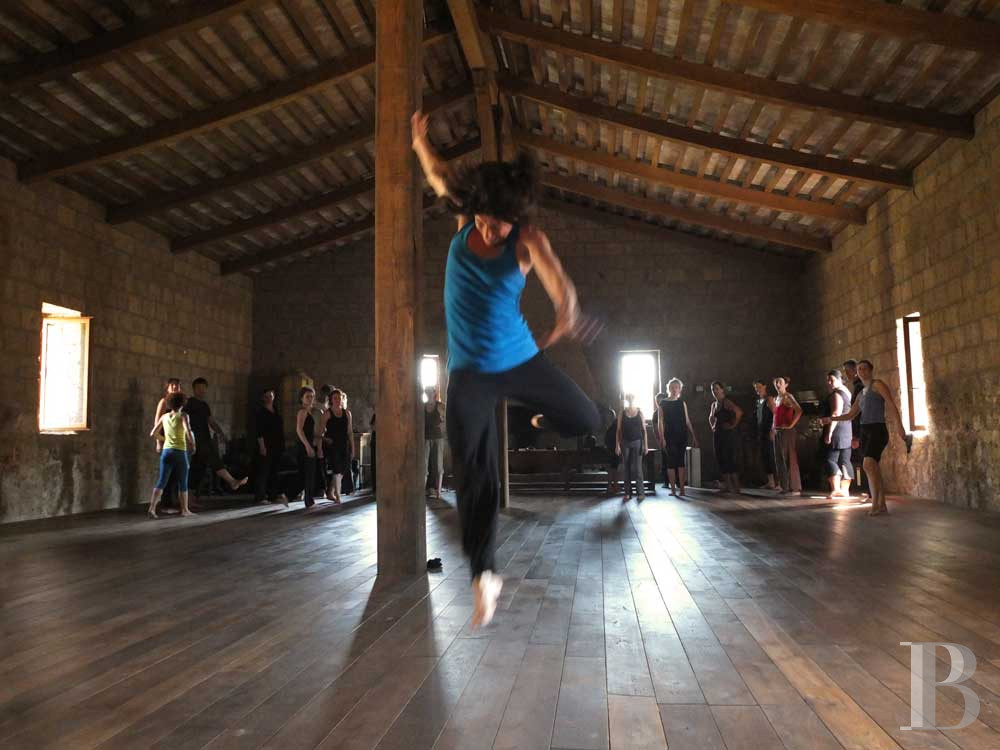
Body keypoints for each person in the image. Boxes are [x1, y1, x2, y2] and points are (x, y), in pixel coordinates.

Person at [412, 109, 600, 628]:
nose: (486, 227)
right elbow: (439, 177)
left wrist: (566, 318)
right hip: (470, 373)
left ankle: (539, 418)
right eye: (481, 216)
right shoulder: (465, 221)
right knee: (474, 471)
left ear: (515, 217)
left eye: (498, 220)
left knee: (588, 420)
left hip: (520, 361)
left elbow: (562, 287)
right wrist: (419, 142)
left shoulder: (527, 242)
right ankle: (484, 574)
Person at [823, 359, 911, 516]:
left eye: (864, 368)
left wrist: (900, 427)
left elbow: (891, 404)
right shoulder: (861, 393)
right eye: (859, 369)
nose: (862, 371)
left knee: (868, 464)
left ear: (871, 370)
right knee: (871, 467)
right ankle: (880, 504)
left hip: (877, 429)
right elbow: (851, 414)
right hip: (865, 431)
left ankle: (877, 504)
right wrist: (831, 419)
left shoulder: (877, 385)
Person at [184, 378, 247, 500]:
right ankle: (232, 481)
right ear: (194, 389)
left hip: (205, 438)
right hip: (195, 440)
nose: (201, 391)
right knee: (213, 459)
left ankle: (190, 498)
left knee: (199, 469)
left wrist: (221, 434)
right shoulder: (190, 403)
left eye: (203, 389)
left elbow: (211, 421)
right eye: (199, 388)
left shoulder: (204, 405)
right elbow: (183, 420)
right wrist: (188, 439)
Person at [148, 393, 196, 518]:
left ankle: (152, 508)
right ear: (183, 403)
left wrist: (165, 439)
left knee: (162, 481)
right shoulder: (184, 416)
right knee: (183, 482)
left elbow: (153, 433)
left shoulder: (164, 416)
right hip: (180, 452)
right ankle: (185, 510)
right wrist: (193, 444)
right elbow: (188, 431)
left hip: (166, 451)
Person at [657, 378, 697, 497]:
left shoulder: (682, 403)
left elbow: (687, 420)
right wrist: (662, 437)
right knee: (671, 462)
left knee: (681, 462)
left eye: (677, 387)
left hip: (682, 435)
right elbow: (660, 422)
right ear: (669, 388)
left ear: (680, 389)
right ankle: (673, 490)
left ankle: (682, 489)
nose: (674, 389)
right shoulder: (663, 403)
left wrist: (694, 436)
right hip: (669, 436)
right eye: (672, 387)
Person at [822, 369, 854, 499]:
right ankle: (844, 490)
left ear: (840, 379)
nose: (829, 382)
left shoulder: (837, 394)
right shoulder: (847, 391)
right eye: (828, 380)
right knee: (845, 459)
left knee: (830, 459)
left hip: (837, 430)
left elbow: (836, 413)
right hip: (847, 429)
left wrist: (829, 432)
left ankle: (836, 489)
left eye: (832, 379)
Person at [153, 377, 183, 511]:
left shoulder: (180, 403)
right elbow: (157, 422)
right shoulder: (163, 402)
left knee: (177, 472)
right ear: (167, 387)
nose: (175, 387)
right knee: (167, 473)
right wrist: (158, 442)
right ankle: (165, 503)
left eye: (177, 385)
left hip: (177, 442)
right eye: (172, 385)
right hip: (167, 441)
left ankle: (174, 501)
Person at [708, 381, 742, 495]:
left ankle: (736, 487)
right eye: (713, 389)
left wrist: (733, 425)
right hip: (718, 435)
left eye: (717, 388)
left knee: (730, 459)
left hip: (728, 435)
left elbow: (739, 412)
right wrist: (713, 426)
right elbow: (710, 418)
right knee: (721, 459)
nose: (715, 391)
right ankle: (727, 485)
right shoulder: (714, 404)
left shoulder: (726, 402)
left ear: (722, 390)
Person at [254, 388, 287, 506]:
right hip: (266, 445)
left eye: (271, 396)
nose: (269, 398)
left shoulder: (276, 411)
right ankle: (260, 496)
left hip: (277, 445)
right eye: (267, 396)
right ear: (263, 398)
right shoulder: (261, 413)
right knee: (264, 471)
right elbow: (259, 431)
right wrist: (262, 446)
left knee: (274, 471)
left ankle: (273, 496)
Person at [771, 376, 802, 496]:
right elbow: (775, 415)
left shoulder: (788, 397)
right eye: (776, 382)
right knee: (779, 459)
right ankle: (785, 487)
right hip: (778, 431)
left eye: (780, 382)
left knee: (789, 458)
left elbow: (799, 410)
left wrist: (790, 425)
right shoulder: (776, 398)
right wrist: (773, 428)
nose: (777, 384)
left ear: (785, 384)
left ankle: (794, 488)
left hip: (787, 432)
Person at [320, 388, 353, 504]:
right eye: (335, 398)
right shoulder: (327, 414)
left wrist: (352, 447)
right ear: (331, 400)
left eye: (339, 398)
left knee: (343, 470)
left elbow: (350, 432)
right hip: (333, 445)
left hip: (344, 444)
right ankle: (338, 495)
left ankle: (331, 491)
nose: (338, 400)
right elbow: (320, 432)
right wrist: (325, 440)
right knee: (337, 470)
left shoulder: (347, 413)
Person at [842, 359, 868, 497]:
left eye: (847, 371)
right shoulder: (859, 386)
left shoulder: (859, 388)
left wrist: (856, 435)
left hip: (863, 429)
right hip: (864, 428)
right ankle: (871, 493)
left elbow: (856, 413)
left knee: (866, 462)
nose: (846, 374)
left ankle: (870, 492)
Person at [616, 394, 648, 502]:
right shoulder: (622, 412)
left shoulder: (640, 412)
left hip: (637, 442)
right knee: (626, 468)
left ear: (634, 399)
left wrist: (646, 445)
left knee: (638, 468)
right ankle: (627, 493)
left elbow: (644, 430)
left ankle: (640, 493)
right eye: (628, 398)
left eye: (632, 397)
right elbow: (618, 430)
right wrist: (617, 445)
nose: (630, 399)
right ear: (626, 399)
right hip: (625, 442)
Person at [295, 386, 321, 509]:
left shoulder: (310, 412)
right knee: (308, 473)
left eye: (312, 396)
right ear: (302, 398)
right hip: (304, 445)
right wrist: (308, 446)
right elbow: (299, 430)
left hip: (309, 444)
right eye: (307, 397)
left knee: (309, 473)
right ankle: (308, 500)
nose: (310, 399)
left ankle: (309, 500)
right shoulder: (303, 411)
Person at [752, 380, 777, 490]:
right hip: (761, 431)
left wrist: (773, 429)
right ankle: (770, 482)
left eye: (759, 386)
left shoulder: (769, 399)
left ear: (765, 386)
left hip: (769, 431)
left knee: (772, 456)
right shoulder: (758, 401)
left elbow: (775, 414)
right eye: (755, 387)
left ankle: (779, 482)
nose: (757, 389)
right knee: (765, 456)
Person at [424, 386, 446, 501]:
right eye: (426, 392)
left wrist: (441, 426)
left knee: (438, 465)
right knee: (424, 465)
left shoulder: (440, 406)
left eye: (430, 392)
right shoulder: (423, 406)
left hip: (438, 438)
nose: (428, 394)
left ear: (434, 393)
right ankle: (423, 490)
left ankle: (438, 492)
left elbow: (444, 420)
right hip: (426, 437)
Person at [603, 408, 620, 495]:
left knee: (614, 468)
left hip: (614, 448)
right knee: (612, 469)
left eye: (610, 416)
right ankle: (611, 486)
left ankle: (614, 486)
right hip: (611, 449)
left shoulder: (615, 424)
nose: (608, 418)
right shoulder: (612, 425)